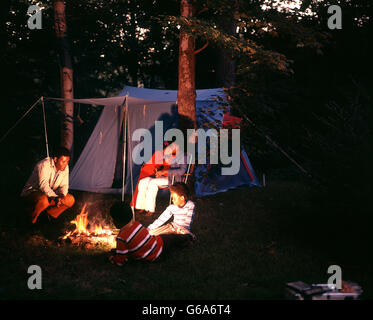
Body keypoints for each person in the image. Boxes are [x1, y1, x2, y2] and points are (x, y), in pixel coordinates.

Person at [109, 202, 191, 266]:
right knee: (171, 238)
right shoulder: (137, 224)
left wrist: (112, 259)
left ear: (117, 222)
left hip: (151, 256)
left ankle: (187, 238)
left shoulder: (121, 237)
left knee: (171, 239)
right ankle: (186, 238)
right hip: (158, 246)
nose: (112, 221)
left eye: (113, 219)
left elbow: (120, 261)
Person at [21, 147, 75, 224]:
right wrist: (55, 197)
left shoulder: (65, 167)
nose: (66, 164)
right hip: (33, 192)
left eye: (67, 162)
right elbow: (43, 186)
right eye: (63, 161)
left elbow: (64, 185)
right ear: (55, 159)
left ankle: (48, 218)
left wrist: (61, 196)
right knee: (44, 201)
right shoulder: (44, 164)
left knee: (70, 199)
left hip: (51, 194)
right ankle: (31, 222)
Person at [135, 142, 190, 216]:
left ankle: (150, 209)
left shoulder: (184, 157)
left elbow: (182, 171)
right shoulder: (172, 156)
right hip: (166, 176)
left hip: (174, 179)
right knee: (143, 182)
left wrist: (165, 171)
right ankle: (140, 206)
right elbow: (166, 165)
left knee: (152, 183)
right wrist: (159, 171)